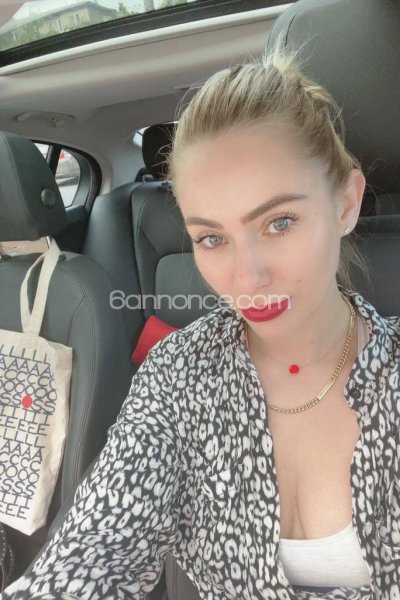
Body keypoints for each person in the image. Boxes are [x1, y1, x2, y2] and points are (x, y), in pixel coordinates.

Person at [2, 40, 399, 600]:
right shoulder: (177, 375)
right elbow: (93, 550)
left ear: (346, 204)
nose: (247, 276)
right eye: (212, 238)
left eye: (279, 222)